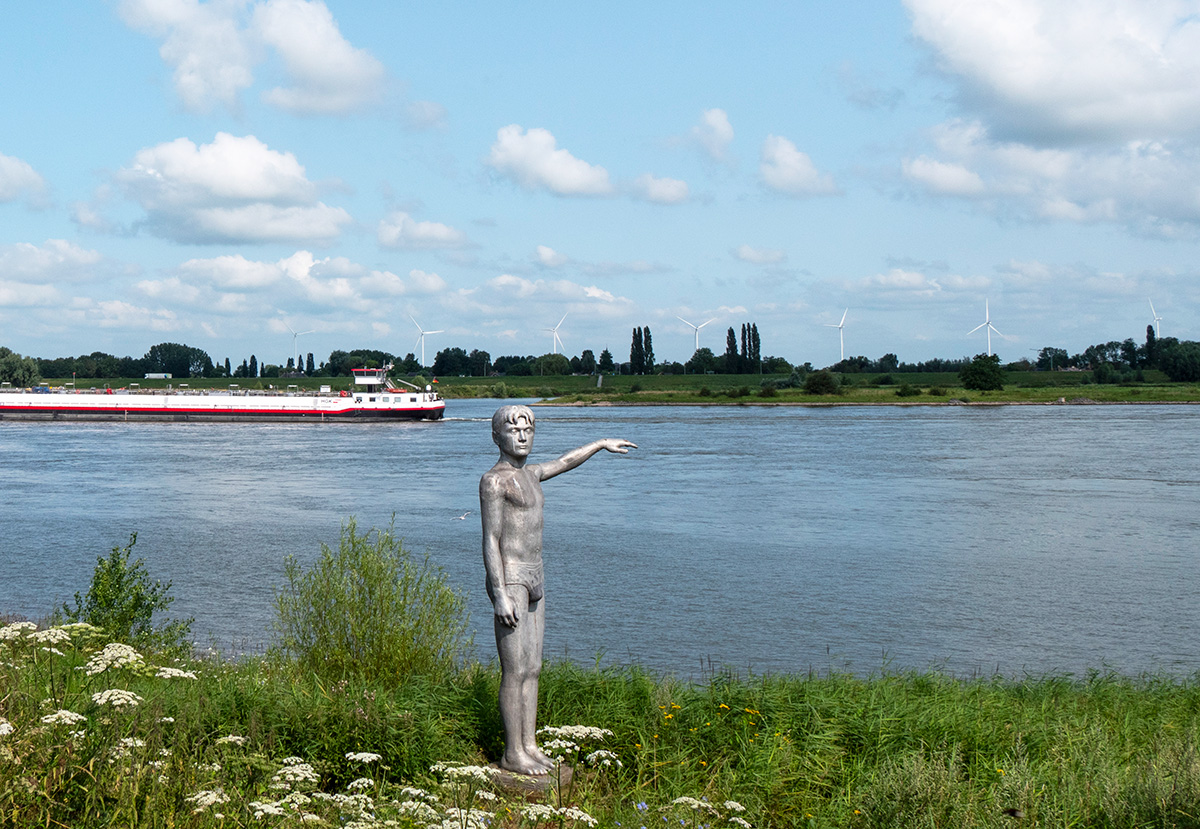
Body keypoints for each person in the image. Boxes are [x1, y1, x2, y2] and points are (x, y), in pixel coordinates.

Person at [480, 405, 636, 774]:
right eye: (514, 430)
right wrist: (499, 592)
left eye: (529, 430)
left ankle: (529, 744)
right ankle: (511, 752)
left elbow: (565, 462)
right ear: (497, 436)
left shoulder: (532, 474)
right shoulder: (494, 481)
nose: (522, 436)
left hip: (537, 576)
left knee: (533, 668)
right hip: (513, 577)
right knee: (514, 669)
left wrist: (600, 444)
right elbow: (490, 539)